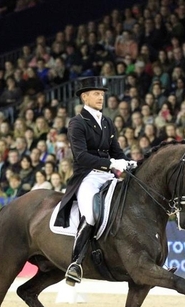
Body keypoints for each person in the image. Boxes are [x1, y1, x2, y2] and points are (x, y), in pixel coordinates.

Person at [55, 77, 135, 286]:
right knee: (91, 213)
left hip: (108, 176)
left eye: (102, 94)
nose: (101, 97)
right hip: (87, 177)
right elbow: (81, 156)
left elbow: (116, 151)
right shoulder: (77, 123)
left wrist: (130, 163)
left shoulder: (107, 122)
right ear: (85, 97)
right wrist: (111, 164)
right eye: (96, 94)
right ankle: (76, 263)